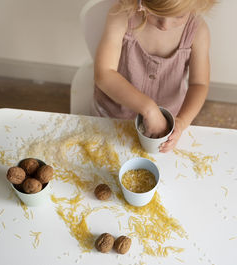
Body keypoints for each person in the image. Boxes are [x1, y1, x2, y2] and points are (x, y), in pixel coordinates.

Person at [93, 0, 216, 152]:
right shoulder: (123, 15)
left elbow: (199, 84)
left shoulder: (198, 31)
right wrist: (149, 108)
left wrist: (182, 122)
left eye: (179, 16)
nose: (165, 25)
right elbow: (103, 74)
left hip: (168, 118)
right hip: (115, 113)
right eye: (156, 12)